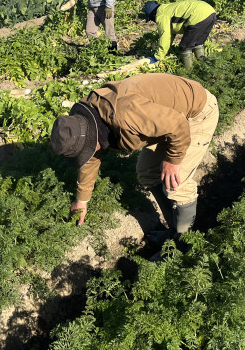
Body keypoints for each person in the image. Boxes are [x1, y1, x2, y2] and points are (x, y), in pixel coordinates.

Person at [50, 73, 219, 256]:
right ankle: (173, 230)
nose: (89, 153)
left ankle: (183, 244)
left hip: (194, 115)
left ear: (92, 137)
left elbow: (178, 124)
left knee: (177, 184)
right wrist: (81, 199)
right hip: (164, 120)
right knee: (147, 172)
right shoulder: (87, 121)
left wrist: (173, 160)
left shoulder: (127, 114)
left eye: (87, 149)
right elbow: (91, 157)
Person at [143, 0, 217, 69]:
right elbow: (170, 34)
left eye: (151, 19)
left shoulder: (161, 14)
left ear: (152, 14)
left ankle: (189, 73)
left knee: (185, 47)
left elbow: (165, 36)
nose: (154, 21)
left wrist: (158, 57)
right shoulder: (168, 8)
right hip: (210, 12)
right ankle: (203, 67)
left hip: (198, 15)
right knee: (197, 43)